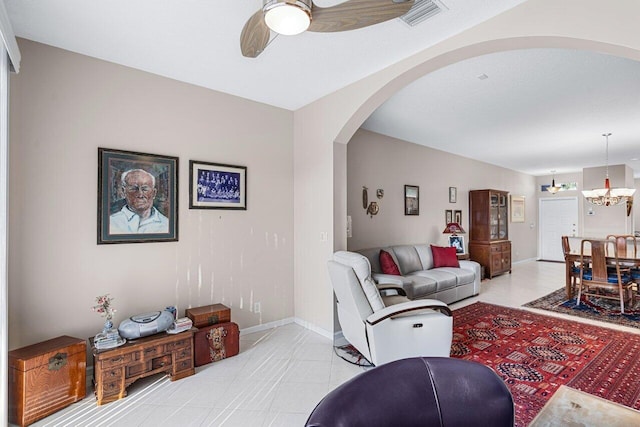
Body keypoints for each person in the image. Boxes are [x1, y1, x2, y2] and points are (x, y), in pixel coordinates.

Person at [109, 169, 169, 234]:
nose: (140, 194)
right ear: (124, 192)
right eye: (134, 189)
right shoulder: (111, 222)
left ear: (154, 193)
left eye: (145, 189)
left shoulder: (166, 224)